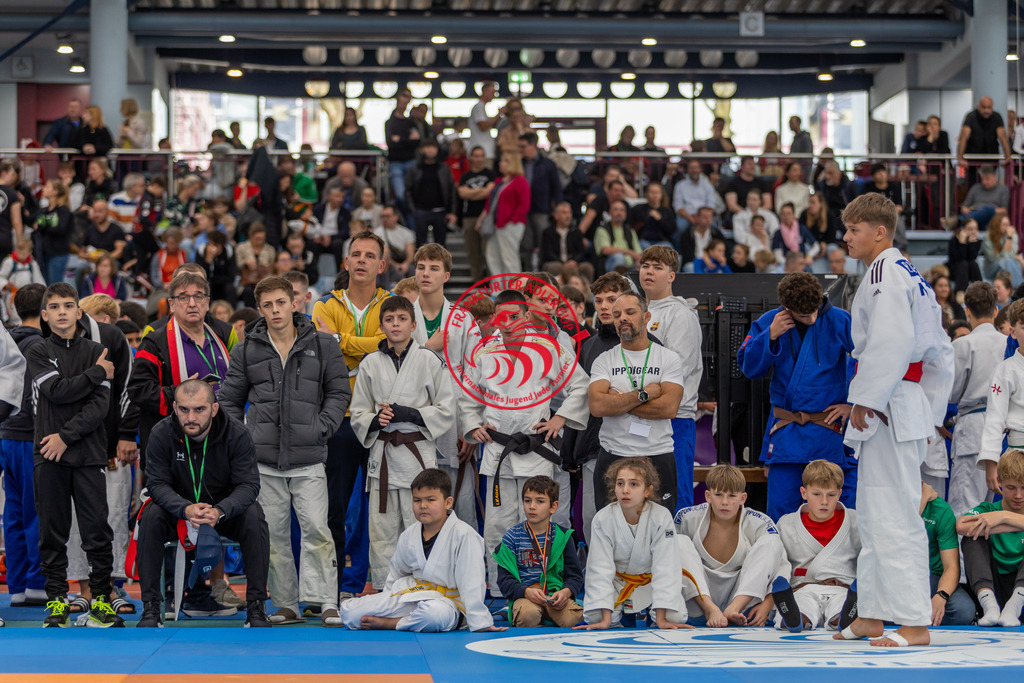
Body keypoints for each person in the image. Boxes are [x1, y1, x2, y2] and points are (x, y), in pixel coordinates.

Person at [838, 193, 954, 647]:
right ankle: (871, 613)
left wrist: (868, 397)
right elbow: (941, 352)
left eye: (854, 229)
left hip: (885, 400)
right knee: (872, 512)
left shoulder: (887, 271)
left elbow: (892, 339)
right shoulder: (908, 273)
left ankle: (913, 622)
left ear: (879, 232)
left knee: (895, 513)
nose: (847, 238)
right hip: (898, 399)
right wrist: (929, 407)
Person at [218, 276, 349, 627]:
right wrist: (244, 437)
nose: (275, 310)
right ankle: (287, 604)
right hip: (263, 459)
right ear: (259, 310)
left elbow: (339, 392)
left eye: (281, 302)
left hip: (309, 456)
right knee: (273, 535)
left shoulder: (323, 344)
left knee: (318, 530)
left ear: (294, 302)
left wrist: (322, 427)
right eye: (268, 305)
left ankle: (326, 602)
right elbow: (228, 400)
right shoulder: (247, 349)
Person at [460, 289, 589, 596]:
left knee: (537, 525)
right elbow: (467, 396)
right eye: (501, 317)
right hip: (498, 450)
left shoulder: (549, 348)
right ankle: (499, 591)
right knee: (497, 526)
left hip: (535, 449)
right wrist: (473, 424)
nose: (507, 323)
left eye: (514, 316)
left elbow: (580, 384)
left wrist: (560, 419)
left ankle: (542, 587)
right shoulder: (484, 351)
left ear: (527, 316)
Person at [134, 380, 271, 628]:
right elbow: (156, 484)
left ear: (214, 409)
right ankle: (152, 607)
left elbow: (249, 485)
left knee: (254, 515)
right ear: (174, 407)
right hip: (179, 511)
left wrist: (221, 511)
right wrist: (184, 508)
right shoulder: (160, 433)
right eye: (184, 409)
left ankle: (256, 607)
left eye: (199, 409)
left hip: (221, 511)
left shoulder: (237, 433)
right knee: (151, 514)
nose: (191, 417)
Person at [25, 283, 121, 628]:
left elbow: (99, 407)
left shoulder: (99, 348)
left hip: (87, 453)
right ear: (45, 314)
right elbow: (55, 391)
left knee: (97, 530)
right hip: (48, 455)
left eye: (69, 305)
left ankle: (100, 600)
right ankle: (56, 601)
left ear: (79, 313)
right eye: (55, 306)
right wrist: (96, 374)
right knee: (52, 531)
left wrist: (65, 437)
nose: (62, 311)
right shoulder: (37, 351)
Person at [350, 295, 455, 590]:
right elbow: (358, 411)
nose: (395, 324)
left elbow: (447, 408)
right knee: (382, 533)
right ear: (381, 325)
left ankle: (424, 589)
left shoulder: (428, 360)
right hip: (382, 456)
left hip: (416, 457)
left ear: (412, 324)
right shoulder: (370, 363)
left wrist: (412, 413)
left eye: (401, 319)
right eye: (389, 319)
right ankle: (387, 592)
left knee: (420, 526)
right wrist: (375, 419)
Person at [312, 232, 392, 603]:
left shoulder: (392, 303)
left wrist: (343, 341)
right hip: (338, 418)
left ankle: (375, 583)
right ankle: (332, 587)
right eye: (355, 254)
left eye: (369, 255)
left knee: (381, 508)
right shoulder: (323, 304)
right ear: (345, 263)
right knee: (334, 507)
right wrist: (374, 345)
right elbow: (324, 346)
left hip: (382, 419)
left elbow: (389, 344)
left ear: (381, 265)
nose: (361, 260)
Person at [737, 272, 855, 520]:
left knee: (831, 509)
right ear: (787, 308)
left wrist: (852, 405)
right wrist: (769, 335)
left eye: (815, 311)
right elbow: (749, 367)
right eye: (803, 315)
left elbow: (870, 362)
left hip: (827, 428)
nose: (811, 318)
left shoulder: (840, 320)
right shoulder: (770, 321)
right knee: (781, 510)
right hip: (787, 429)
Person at [337, 468, 504, 632]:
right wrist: (387, 602)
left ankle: (391, 623)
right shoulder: (409, 535)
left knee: (433, 615)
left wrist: (480, 621)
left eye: (431, 500)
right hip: (412, 596)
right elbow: (396, 575)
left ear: (448, 502)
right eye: (417, 500)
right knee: (349, 612)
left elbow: (472, 583)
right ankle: (401, 619)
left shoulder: (464, 535)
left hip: (448, 603)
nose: (423, 506)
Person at [588, 291, 684, 511]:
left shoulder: (668, 358)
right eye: (617, 314)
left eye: (630, 312)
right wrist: (645, 394)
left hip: (657, 453)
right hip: (614, 453)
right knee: (611, 531)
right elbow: (598, 406)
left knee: (659, 530)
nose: (623, 318)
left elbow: (669, 408)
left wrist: (619, 401)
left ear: (646, 317)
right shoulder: (605, 359)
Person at [577, 458, 692, 630]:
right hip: (618, 581)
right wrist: (606, 619)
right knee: (595, 617)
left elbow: (665, 567)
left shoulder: (661, 517)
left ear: (648, 490)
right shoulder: (603, 519)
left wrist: (661, 619)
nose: (625, 490)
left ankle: (654, 611)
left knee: (674, 616)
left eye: (634, 484)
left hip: (650, 581)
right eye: (620, 483)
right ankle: (617, 614)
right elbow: (600, 569)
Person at [675, 464, 789, 628]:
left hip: (742, 608)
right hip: (697, 605)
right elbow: (668, 562)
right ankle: (710, 608)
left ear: (743, 498)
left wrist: (767, 604)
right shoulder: (687, 518)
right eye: (718, 495)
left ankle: (732, 608)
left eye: (732, 496)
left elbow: (781, 566)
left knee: (771, 542)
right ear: (708, 496)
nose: (725, 502)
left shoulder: (760, 524)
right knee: (678, 542)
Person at [638, 246, 703, 509]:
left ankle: (681, 550)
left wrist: (634, 395)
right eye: (645, 266)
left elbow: (676, 370)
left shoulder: (680, 314)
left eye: (657, 267)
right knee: (643, 500)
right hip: (640, 418)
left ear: (672, 276)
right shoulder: (637, 312)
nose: (649, 271)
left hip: (675, 420)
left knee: (675, 498)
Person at [769, 460, 859, 633]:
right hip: (803, 587)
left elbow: (867, 558)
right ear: (804, 492)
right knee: (799, 606)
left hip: (843, 589)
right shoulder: (787, 523)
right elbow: (780, 564)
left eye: (831, 495)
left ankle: (845, 618)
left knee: (843, 606)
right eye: (816, 494)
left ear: (840, 493)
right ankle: (794, 619)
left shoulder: (856, 521)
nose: (824, 501)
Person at [0, 285, 47, 609]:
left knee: (13, 512)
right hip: (29, 435)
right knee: (37, 512)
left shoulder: (8, 339)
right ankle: (36, 583)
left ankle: (17, 586)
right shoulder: (43, 347)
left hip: (5, 433)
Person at [944, 283, 1004, 515]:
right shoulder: (1008, 343)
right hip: (1002, 427)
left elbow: (952, 393)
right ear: (996, 310)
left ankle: (961, 553)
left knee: (965, 507)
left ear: (967, 310)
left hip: (972, 427)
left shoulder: (963, 344)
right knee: (997, 508)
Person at [493, 475, 584, 627]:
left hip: (555, 597)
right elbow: (504, 581)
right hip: (526, 597)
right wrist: (525, 592)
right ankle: (523, 613)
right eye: (527, 500)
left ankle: (548, 616)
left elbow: (575, 577)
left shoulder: (563, 537)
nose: (532, 506)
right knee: (528, 616)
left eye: (540, 501)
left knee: (575, 618)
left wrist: (565, 593)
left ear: (553, 507)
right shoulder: (511, 537)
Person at [957, 448, 1024, 627]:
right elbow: (961, 526)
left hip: (1021, 592)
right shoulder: (988, 510)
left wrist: (1003, 517)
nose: (1019, 495)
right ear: (999, 482)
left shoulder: (996, 514)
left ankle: (1014, 607)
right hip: (993, 586)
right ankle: (989, 607)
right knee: (972, 535)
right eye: (1011, 488)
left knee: (978, 527)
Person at [978, 298, 1024, 494]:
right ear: (1013, 331)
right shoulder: (1005, 370)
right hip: (1017, 453)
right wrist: (991, 462)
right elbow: (994, 418)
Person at [919, 481, 976, 626]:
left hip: (932, 579)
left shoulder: (940, 510)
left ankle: (916, 620)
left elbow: (951, 566)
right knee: (865, 604)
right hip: (896, 577)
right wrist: (920, 506)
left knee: (963, 611)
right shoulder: (889, 503)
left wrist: (941, 595)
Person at [478, 152, 530, 277]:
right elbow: (490, 203)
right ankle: (498, 289)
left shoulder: (520, 181)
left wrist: (512, 220)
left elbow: (524, 204)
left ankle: (514, 289)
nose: (500, 164)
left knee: (509, 257)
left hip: (510, 225)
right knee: (492, 256)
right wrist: (482, 219)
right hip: (496, 225)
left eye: (504, 161)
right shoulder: (499, 181)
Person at [518, 132, 563, 270]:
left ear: (533, 145)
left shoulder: (547, 164)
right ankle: (527, 274)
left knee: (544, 242)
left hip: (542, 209)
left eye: (523, 146)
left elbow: (557, 187)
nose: (521, 150)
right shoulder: (519, 164)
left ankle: (543, 275)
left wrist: (557, 207)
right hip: (523, 210)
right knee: (526, 245)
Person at [404, 139, 457, 248]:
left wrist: (452, 212)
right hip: (421, 211)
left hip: (440, 211)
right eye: (427, 147)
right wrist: (413, 210)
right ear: (422, 150)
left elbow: (451, 191)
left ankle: (441, 265)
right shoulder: (414, 169)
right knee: (420, 246)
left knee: (441, 247)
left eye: (433, 147)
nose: (430, 150)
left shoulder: (444, 169)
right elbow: (408, 191)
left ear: (437, 150)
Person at [457, 145, 496, 283]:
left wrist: (472, 193)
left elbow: (490, 192)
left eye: (481, 155)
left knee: (488, 251)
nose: (478, 159)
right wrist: (482, 191)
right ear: (471, 157)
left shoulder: (490, 174)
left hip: (487, 216)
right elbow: (462, 193)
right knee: (473, 251)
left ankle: (493, 281)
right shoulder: (465, 176)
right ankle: (477, 281)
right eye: (476, 155)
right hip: (469, 216)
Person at [385, 89, 420, 226]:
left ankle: (411, 226)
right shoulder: (390, 122)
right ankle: (406, 223)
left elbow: (417, 142)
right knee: (401, 195)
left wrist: (400, 139)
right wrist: (407, 140)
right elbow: (391, 144)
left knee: (412, 195)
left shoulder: (410, 122)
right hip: (396, 163)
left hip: (411, 161)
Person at [958, 96, 1011, 186]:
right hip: (973, 157)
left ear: (992, 107)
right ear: (978, 106)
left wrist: (1008, 157)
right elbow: (963, 138)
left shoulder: (997, 117)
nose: (986, 110)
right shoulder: (971, 117)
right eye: (983, 107)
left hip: (991, 156)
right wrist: (960, 158)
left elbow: (1003, 138)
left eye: (989, 107)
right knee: (973, 184)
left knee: (990, 185)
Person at [540, 202, 594, 282]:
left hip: (574, 263)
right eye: (564, 213)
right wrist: (563, 263)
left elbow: (580, 252)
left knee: (587, 267)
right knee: (553, 267)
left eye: (569, 212)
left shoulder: (576, 232)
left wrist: (574, 261)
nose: (568, 216)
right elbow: (548, 253)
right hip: (557, 263)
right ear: (556, 216)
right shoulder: (548, 232)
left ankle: (588, 293)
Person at [34, 179, 74, 285]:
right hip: (43, 253)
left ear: (55, 192)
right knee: (45, 286)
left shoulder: (63, 210)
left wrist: (44, 226)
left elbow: (61, 229)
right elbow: (35, 226)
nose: (44, 188)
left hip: (58, 254)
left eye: (47, 187)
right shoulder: (43, 210)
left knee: (55, 286)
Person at [593, 199, 642, 273]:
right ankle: (617, 283)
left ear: (625, 213)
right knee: (618, 257)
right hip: (609, 263)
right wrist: (629, 252)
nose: (619, 213)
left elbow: (638, 253)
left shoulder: (630, 230)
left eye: (622, 210)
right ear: (610, 213)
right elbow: (605, 250)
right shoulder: (602, 229)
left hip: (631, 266)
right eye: (615, 209)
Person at [673, 159, 719, 236]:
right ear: (687, 170)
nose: (694, 170)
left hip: (704, 216)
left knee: (714, 228)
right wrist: (691, 219)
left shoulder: (707, 185)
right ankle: (678, 248)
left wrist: (702, 218)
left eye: (696, 167)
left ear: (700, 169)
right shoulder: (680, 185)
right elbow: (678, 207)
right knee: (680, 227)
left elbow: (711, 205)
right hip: (686, 217)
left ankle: (712, 247)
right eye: (691, 168)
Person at [628, 182, 674, 249]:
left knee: (667, 249)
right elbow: (631, 225)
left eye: (657, 192)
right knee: (646, 248)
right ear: (647, 194)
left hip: (662, 241)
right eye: (652, 192)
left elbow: (671, 230)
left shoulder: (667, 211)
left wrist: (660, 219)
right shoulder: (638, 209)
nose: (654, 195)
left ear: (661, 195)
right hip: (643, 240)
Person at [981, 214, 1023, 286]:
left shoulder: (1013, 234)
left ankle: (1016, 288)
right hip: (991, 269)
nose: (1007, 227)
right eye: (1004, 225)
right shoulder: (988, 236)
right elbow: (994, 259)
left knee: (1008, 261)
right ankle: (1020, 287)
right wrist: (1009, 238)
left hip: (1007, 267)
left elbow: (1010, 256)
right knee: (1006, 261)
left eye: (1008, 224)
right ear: (996, 225)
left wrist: (1009, 237)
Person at [772, 202, 820, 266]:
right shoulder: (778, 233)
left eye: (788, 214)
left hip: (802, 262)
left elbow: (816, 246)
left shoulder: (802, 229)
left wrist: (809, 255)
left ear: (793, 215)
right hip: (786, 264)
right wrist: (788, 263)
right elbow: (777, 253)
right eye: (783, 214)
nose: (786, 217)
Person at [948, 219, 983, 292]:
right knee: (963, 264)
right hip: (954, 269)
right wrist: (962, 243)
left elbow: (972, 258)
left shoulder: (976, 241)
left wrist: (971, 244)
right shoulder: (954, 240)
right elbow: (959, 258)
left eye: (975, 229)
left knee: (973, 264)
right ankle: (960, 292)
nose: (973, 232)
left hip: (969, 270)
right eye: (970, 229)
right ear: (963, 229)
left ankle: (980, 290)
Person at [0, 160, 25, 260]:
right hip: (4, 237)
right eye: (13, 174)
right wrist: (20, 242)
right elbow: (17, 221)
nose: (15, 178)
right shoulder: (12, 194)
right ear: (3, 173)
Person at [788, 115, 814, 182]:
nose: (790, 125)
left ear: (798, 123)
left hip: (803, 170)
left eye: (792, 123)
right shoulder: (796, 138)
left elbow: (807, 156)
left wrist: (803, 171)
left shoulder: (805, 138)